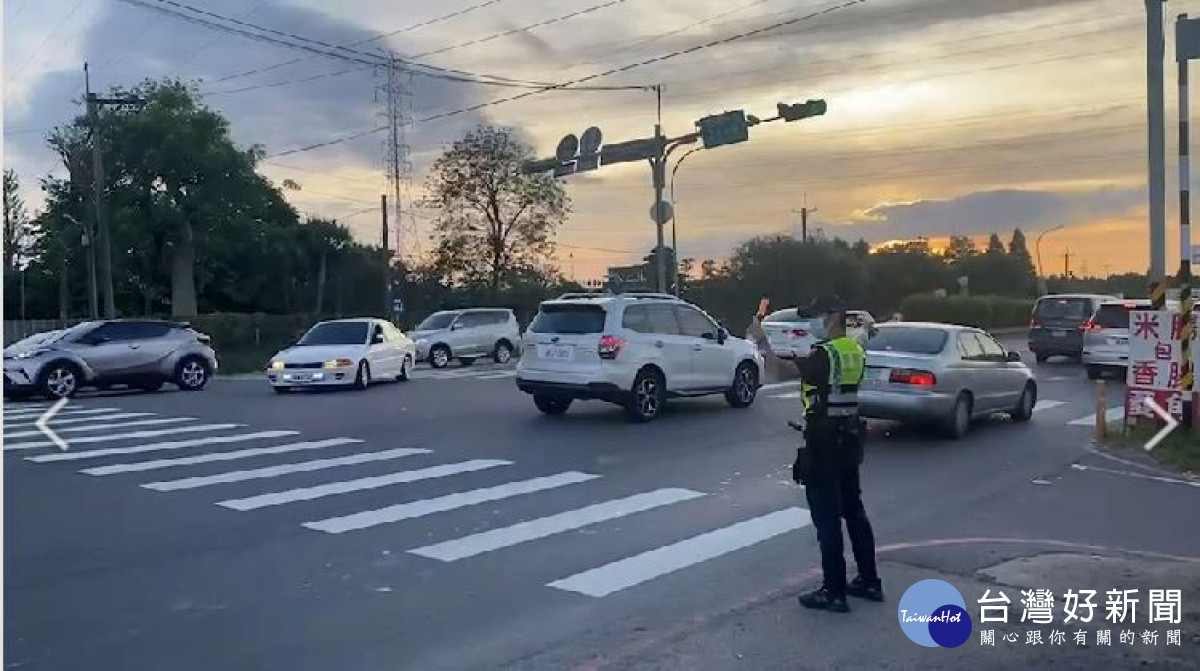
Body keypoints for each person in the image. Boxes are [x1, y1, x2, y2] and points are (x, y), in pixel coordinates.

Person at [792, 295, 882, 613]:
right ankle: (869, 581)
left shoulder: (823, 354)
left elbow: (781, 372)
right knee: (854, 511)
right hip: (850, 440)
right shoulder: (853, 350)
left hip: (824, 443)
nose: (811, 324)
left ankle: (834, 591)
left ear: (832, 317)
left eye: (815, 317)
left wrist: (760, 342)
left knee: (827, 518)